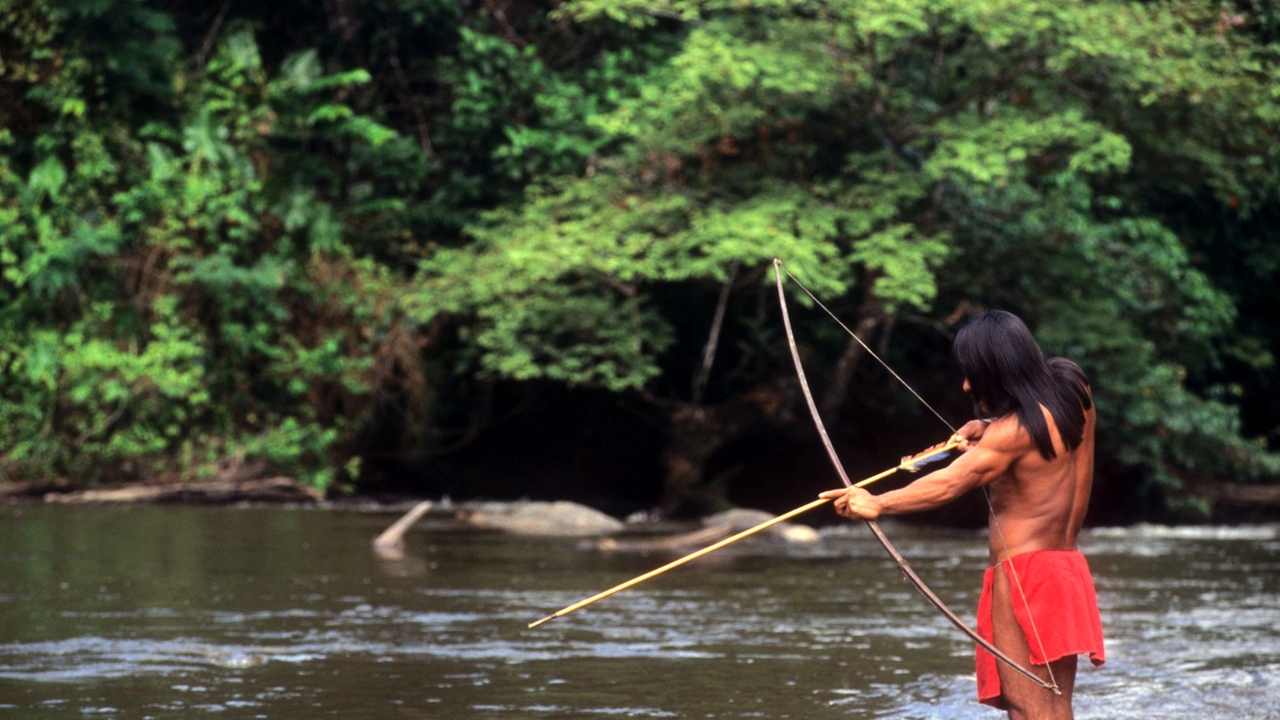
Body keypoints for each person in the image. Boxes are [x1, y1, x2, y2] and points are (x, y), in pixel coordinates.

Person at [819, 310, 1105, 720]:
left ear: (998, 370)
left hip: (1024, 576)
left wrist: (878, 503)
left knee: (1029, 707)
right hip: (1065, 570)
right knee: (1054, 704)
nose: (967, 384)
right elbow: (1035, 437)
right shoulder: (1073, 387)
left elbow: (950, 483)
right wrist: (985, 424)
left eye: (974, 373)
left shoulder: (1011, 434)